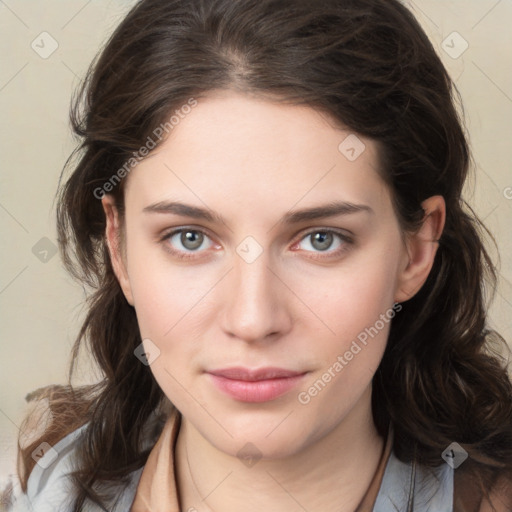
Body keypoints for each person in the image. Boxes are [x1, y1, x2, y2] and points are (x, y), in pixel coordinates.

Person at [4, 0, 512, 510]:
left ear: (415, 250)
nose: (252, 320)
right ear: (118, 245)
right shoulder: (44, 493)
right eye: (189, 238)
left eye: (321, 239)